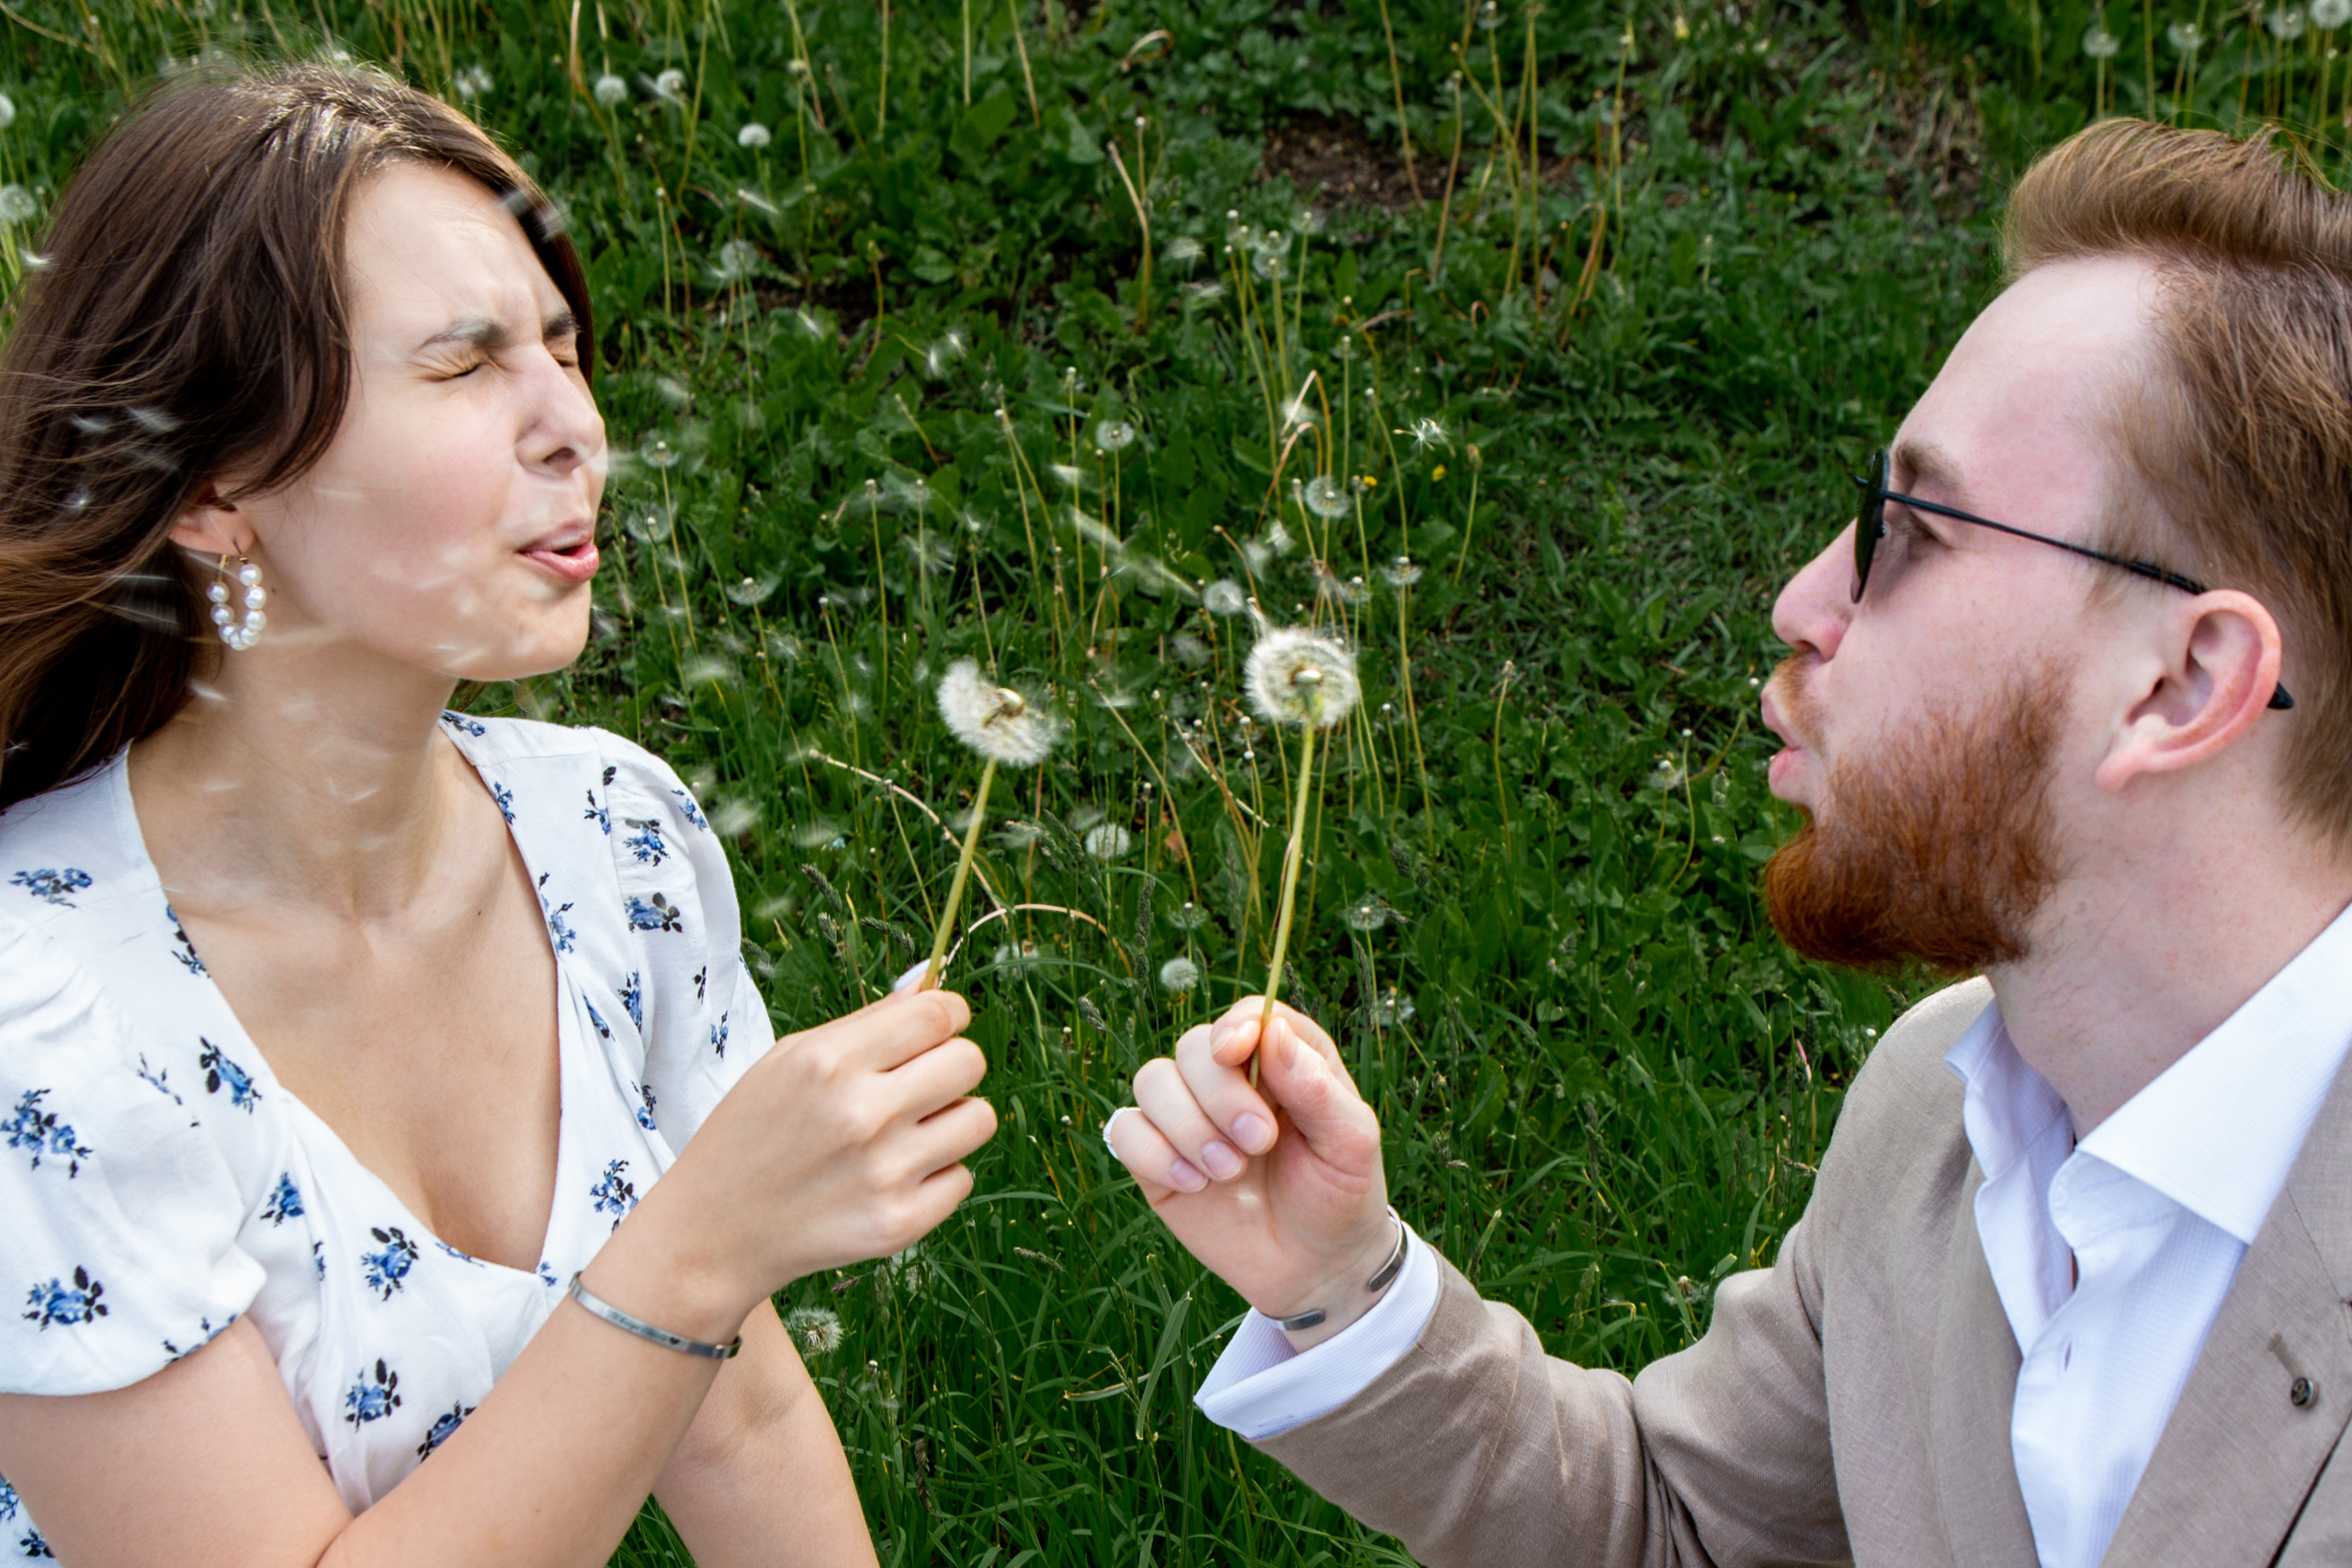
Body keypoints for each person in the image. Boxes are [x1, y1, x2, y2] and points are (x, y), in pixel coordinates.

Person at [1105, 116, 2352, 1567]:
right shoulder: (1941, 1118)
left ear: (2184, 685)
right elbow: (1682, 1530)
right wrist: (1343, 1286)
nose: (1804, 599)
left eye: (1911, 528)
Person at [0, 64, 997, 1567]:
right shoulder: (42, 1016)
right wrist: (699, 1242)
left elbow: (741, 1425)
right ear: (208, 482)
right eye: (465, 367)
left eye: (564, 349)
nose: (571, 427)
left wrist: (704, 1268)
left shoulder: (612, 839)